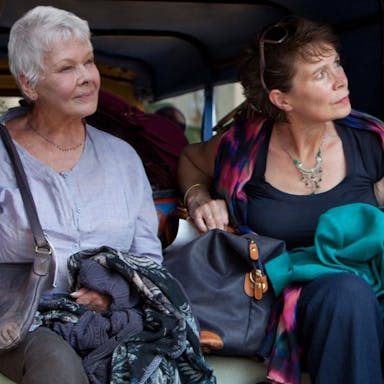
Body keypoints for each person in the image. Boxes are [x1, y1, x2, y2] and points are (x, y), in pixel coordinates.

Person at [0, 6, 214, 384]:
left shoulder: (122, 157)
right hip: (22, 320)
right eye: (67, 68)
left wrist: (113, 294)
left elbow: (147, 258)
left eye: (89, 62)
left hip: (115, 316)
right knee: (60, 372)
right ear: (29, 84)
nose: (87, 78)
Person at [178, 15, 384, 384]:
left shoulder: (371, 141)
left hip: (369, 293)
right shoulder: (242, 149)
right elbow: (191, 159)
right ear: (281, 98)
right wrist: (198, 198)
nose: (341, 79)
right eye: (321, 74)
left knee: (354, 295)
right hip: (273, 296)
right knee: (346, 294)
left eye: (336, 63)